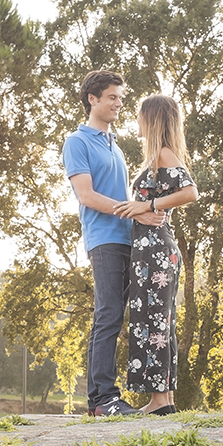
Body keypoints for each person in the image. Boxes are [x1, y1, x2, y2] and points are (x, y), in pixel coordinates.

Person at [61, 69, 162, 417]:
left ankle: (112, 397)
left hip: (127, 238)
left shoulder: (114, 145)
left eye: (121, 97)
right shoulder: (77, 142)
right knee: (108, 315)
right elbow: (87, 196)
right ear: (93, 99)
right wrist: (135, 214)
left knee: (121, 317)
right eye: (113, 97)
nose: (119, 103)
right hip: (103, 238)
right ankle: (102, 399)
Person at [124, 94, 198, 415]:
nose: (136, 121)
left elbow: (190, 192)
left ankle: (157, 400)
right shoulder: (156, 157)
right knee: (160, 321)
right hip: (155, 249)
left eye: (140, 116)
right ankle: (164, 401)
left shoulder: (163, 155)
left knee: (152, 319)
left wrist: (150, 206)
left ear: (152, 119)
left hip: (155, 250)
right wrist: (144, 208)